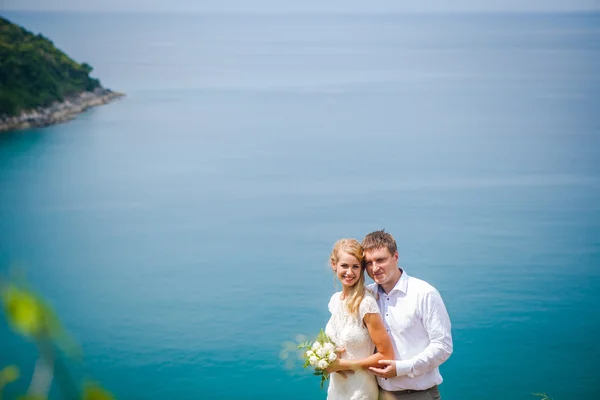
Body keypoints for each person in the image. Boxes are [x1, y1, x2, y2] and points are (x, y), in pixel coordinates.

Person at [362, 230, 453, 400]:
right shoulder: (366, 297)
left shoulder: (424, 293)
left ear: (395, 256)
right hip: (377, 394)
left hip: (419, 395)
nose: (374, 268)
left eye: (381, 260)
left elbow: (443, 346)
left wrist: (402, 368)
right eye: (368, 263)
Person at [324, 238, 395, 400]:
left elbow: (386, 354)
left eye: (355, 266)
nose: (350, 272)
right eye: (344, 266)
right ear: (334, 265)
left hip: (360, 391)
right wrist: (326, 358)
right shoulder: (335, 300)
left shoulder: (366, 303)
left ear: (362, 269)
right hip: (336, 389)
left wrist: (343, 365)